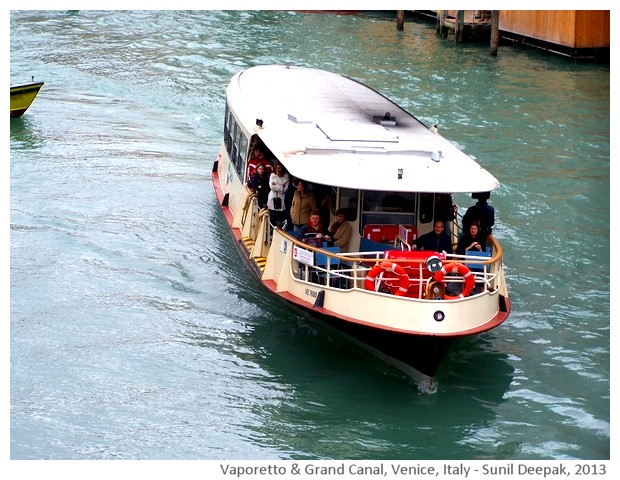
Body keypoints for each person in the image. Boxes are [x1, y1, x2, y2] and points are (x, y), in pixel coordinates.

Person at [267, 163, 289, 227]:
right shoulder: (272, 175)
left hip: (282, 199)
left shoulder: (286, 176)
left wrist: (276, 186)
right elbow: (271, 186)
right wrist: (281, 186)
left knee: (281, 218)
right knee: (273, 218)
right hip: (273, 198)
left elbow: (286, 189)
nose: (277, 170)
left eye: (279, 168)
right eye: (276, 168)